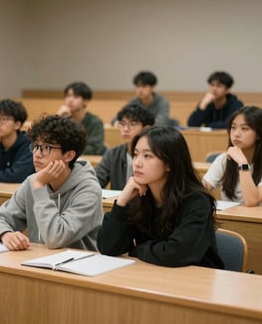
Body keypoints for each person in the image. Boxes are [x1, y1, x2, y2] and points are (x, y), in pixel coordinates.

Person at [97, 126, 224, 268]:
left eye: (147, 156)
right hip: (154, 274)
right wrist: (122, 201)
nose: (137, 163)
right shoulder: (140, 196)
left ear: (169, 163)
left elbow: (176, 253)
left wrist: (138, 249)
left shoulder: (196, 201)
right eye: (136, 154)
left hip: (196, 280)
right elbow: (107, 247)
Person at [0, 114, 103, 251]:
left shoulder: (88, 189)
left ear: (69, 155)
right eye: (35, 146)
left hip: (78, 267)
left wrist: (40, 187)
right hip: (38, 261)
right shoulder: (32, 182)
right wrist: (5, 234)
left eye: (46, 147)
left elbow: (55, 239)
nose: (37, 154)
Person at [203, 106, 262, 206]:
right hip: (229, 219)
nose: (236, 134)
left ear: (259, 134)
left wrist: (242, 162)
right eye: (233, 127)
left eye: (244, 128)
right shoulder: (223, 160)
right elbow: (201, 190)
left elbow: (251, 201)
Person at [95, 103, 154, 190]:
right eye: (122, 124)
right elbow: (96, 181)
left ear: (146, 128)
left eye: (132, 124)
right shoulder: (113, 154)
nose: (126, 129)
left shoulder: (153, 155)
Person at [57, 81, 105, 155]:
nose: (70, 100)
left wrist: (68, 150)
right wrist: (58, 118)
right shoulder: (63, 120)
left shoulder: (95, 122)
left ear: (85, 101)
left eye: (76, 96)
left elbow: (94, 148)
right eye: (68, 96)